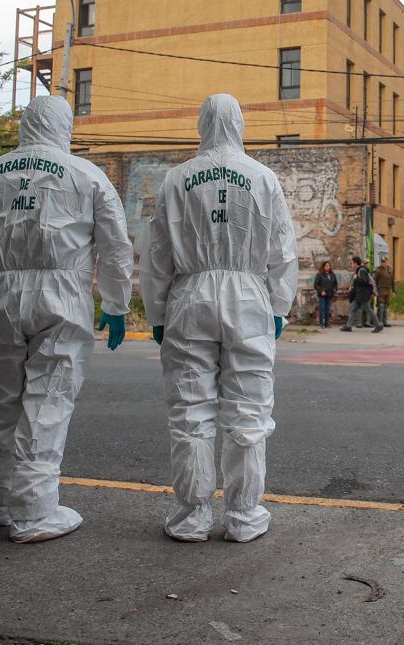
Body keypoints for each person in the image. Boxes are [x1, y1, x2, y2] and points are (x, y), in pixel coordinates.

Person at [0, 95, 133, 543]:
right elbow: (115, 247)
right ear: (64, 126)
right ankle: (34, 512)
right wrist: (116, 304)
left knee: (3, 400)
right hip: (61, 296)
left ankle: (0, 502)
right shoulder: (87, 175)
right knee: (48, 400)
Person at [140, 94, 298, 543]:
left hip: (189, 296)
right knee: (248, 408)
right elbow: (282, 252)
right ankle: (244, 515)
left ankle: (191, 515)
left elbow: (156, 253)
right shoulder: (263, 178)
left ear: (202, 125)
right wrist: (278, 308)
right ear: (241, 123)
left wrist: (156, 311)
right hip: (249, 296)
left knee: (190, 408)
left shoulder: (176, 179)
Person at [341, 256, 382, 333]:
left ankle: (378, 325)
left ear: (355, 263)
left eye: (352, 263)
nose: (351, 265)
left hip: (363, 295)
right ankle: (348, 326)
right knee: (353, 309)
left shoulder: (361, 271)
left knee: (368, 310)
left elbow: (364, 281)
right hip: (359, 294)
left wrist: (356, 278)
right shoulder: (359, 270)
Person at [313, 261, 337, 328]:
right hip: (322, 295)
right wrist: (321, 291)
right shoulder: (319, 274)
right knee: (322, 309)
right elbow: (316, 284)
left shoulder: (332, 274)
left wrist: (335, 289)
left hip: (329, 294)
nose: (327, 267)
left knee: (328, 309)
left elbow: (335, 283)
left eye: (328, 265)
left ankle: (327, 323)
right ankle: (322, 323)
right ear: (323, 267)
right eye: (326, 265)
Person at [373, 258, 395, 327]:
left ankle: (385, 321)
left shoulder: (390, 270)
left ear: (387, 262)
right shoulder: (378, 270)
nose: (384, 263)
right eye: (382, 262)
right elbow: (374, 280)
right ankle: (380, 322)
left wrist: (394, 291)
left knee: (386, 306)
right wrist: (375, 290)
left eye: (385, 262)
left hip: (388, 290)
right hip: (380, 290)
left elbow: (393, 281)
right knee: (381, 306)